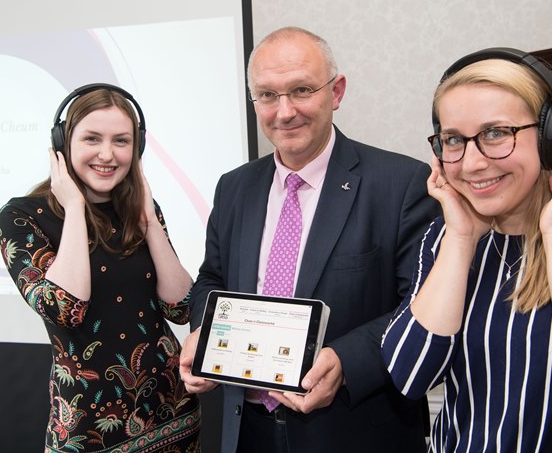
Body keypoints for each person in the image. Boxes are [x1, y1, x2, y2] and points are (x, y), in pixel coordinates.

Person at [179, 26, 440, 453]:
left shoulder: (403, 183)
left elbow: (422, 305)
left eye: (301, 90)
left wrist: (346, 361)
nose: (284, 112)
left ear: (336, 92)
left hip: (354, 431)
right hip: (245, 431)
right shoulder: (234, 187)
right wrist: (205, 331)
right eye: (267, 95)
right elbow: (211, 279)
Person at [382, 48, 552, 451]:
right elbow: (410, 374)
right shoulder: (445, 236)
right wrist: (460, 242)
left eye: (495, 133)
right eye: (454, 140)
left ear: (551, 138)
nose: (472, 163)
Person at [0, 85, 201, 452]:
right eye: (92, 138)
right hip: (88, 424)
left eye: (121, 141)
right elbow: (65, 309)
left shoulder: (143, 208)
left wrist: (150, 224)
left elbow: (181, 307)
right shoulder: (21, 217)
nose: (107, 154)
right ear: (62, 143)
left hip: (172, 413)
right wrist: (74, 208)